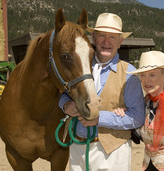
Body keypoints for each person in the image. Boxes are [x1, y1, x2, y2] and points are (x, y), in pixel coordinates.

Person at [58, 13, 145, 171]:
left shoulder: (129, 73)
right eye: (102, 36)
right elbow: (63, 93)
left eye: (112, 37)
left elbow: (138, 117)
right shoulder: (79, 64)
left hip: (113, 152)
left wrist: (99, 119)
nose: (106, 42)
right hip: (77, 147)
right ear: (93, 38)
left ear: (120, 42)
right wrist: (66, 104)